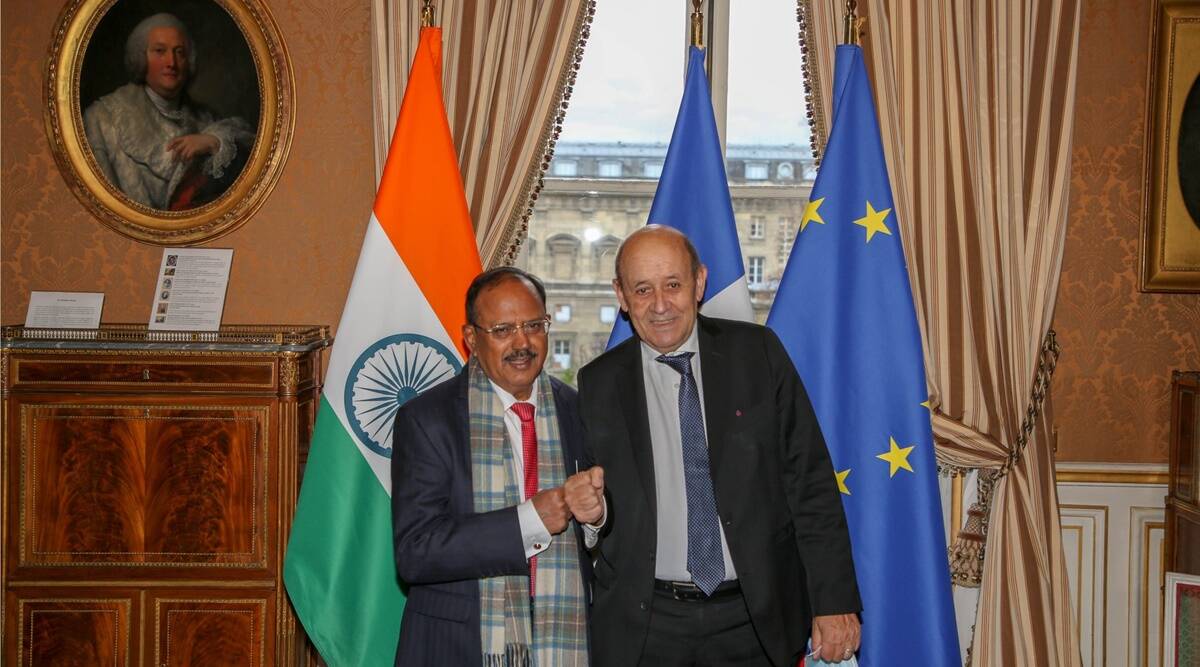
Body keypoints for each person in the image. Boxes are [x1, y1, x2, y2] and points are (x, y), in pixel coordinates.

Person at [577, 225, 862, 667]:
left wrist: (833, 600)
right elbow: (600, 507)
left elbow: (810, 483)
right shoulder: (597, 384)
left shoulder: (758, 354)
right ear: (621, 296)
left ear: (699, 282)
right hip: (646, 626)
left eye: (673, 285)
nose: (660, 304)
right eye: (643, 289)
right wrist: (594, 515)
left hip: (754, 619)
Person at [391, 267, 606, 666]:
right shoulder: (427, 419)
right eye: (503, 330)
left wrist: (595, 517)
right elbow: (415, 553)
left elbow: (608, 542)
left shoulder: (579, 408)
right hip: (460, 647)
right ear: (471, 338)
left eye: (534, 326)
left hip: (566, 639)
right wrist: (529, 522)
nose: (522, 343)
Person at [83, 12, 254, 210]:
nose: (171, 63)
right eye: (159, 51)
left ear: (189, 60)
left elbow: (249, 149)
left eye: (179, 52)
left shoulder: (206, 119)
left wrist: (215, 142)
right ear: (141, 57)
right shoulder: (103, 118)